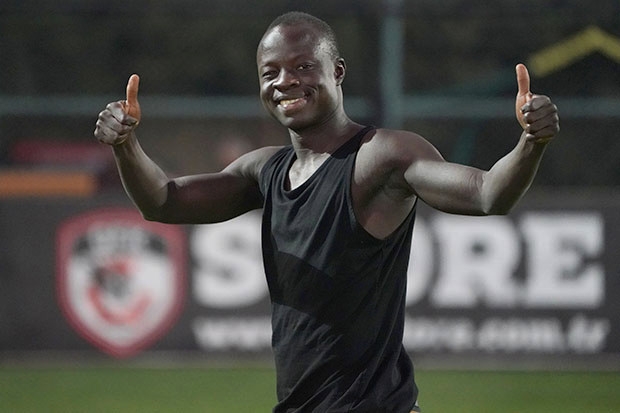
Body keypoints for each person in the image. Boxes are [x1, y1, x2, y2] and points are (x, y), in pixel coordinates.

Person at [94, 11, 559, 413]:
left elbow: (487, 194)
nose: (285, 81)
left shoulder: (381, 156)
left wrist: (530, 142)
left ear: (337, 72)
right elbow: (163, 201)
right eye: (271, 72)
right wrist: (125, 145)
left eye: (302, 66)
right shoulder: (265, 170)